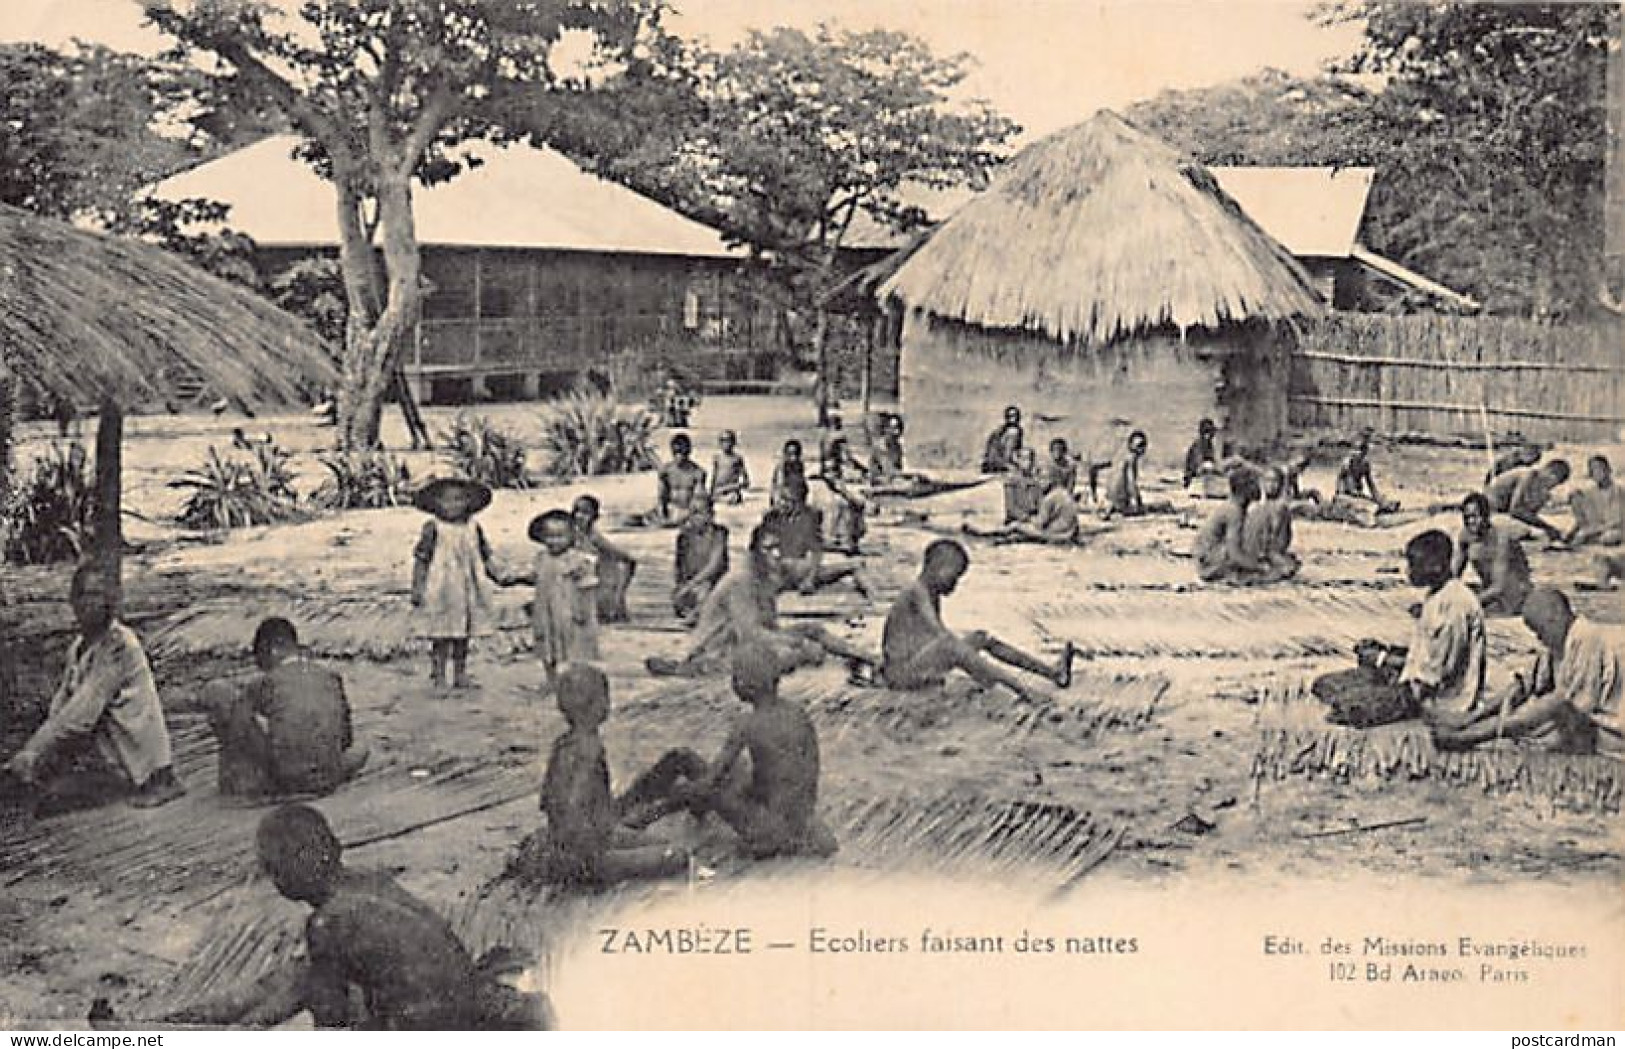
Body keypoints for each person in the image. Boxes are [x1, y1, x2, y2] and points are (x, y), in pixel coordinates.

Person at [162, 805, 549, 1029]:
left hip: (432, 1024)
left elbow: (330, 1022)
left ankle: (209, 1025)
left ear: (285, 878)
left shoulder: (327, 923)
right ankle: (196, 1020)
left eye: (272, 870)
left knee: (303, 979)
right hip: (454, 999)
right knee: (300, 974)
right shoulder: (367, 883)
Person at [3, 561, 184, 813]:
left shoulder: (118, 645)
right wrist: (30, 753)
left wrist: (33, 751)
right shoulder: (79, 648)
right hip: (110, 758)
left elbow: (81, 715)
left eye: (100, 595)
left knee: (48, 802)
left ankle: (160, 786)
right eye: (87, 595)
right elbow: (60, 711)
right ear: (73, 602)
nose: (95, 603)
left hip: (139, 767)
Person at [523, 665, 695, 887]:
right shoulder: (590, 749)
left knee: (650, 836)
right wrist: (593, 842)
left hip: (569, 842)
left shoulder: (562, 744)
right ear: (599, 705)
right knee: (675, 853)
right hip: (589, 856)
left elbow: (549, 802)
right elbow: (576, 807)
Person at [646, 525, 873, 679]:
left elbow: (816, 571)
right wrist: (797, 643)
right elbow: (751, 633)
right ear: (755, 552)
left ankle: (864, 657)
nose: (775, 554)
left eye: (778, 548)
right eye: (768, 549)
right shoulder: (743, 580)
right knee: (792, 654)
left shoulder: (771, 571)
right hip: (717, 649)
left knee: (813, 630)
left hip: (747, 641)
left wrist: (847, 567)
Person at [1311, 530, 1486, 729]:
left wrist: (1382, 660)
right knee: (1324, 685)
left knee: (1346, 706)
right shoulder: (1437, 595)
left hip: (1437, 699)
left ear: (1435, 566)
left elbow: (1435, 674)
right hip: (1413, 680)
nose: (1409, 571)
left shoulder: (1455, 606)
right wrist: (1386, 651)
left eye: (1414, 564)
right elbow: (1427, 652)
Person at [679, 643, 838, 860]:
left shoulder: (747, 724)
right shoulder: (798, 714)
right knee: (739, 773)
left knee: (702, 781)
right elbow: (801, 771)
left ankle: (639, 818)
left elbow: (710, 782)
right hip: (802, 819)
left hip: (768, 831)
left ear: (745, 685)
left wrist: (675, 799)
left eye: (735, 678)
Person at [879, 539, 1076, 705]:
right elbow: (938, 633)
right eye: (953, 577)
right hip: (900, 674)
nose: (955, 585)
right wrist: (965, 656)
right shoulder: (917, 592)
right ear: (937, 569)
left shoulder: (929, 593)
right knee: (952, 645)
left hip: (914, 665)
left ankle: (1052, 672)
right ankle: (1023, 690)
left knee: (982, 638)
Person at [1433, 589, 1622, 756]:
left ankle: (1471, 737)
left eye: (1540, 631)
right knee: (1530, 714)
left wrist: (1492, 727)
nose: (1539, 638)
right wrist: (1473, 717)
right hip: (1586, 724)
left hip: (1612, 732)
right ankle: (1471, 728)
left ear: (1555, 616)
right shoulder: (1559, 643)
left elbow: (1567, 703)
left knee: (1548, 714)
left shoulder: (1587, 637)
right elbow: (1525, 683)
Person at [205, 618, 368, 799]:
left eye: (259, 659)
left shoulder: (264, 682)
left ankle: (233, 786)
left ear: (270, 650)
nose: (260, 666)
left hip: (286, 779)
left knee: (219, 692)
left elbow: (239, 729)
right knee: (362, 749)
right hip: (330, 776)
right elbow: (346, 740)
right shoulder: (331, 676)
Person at [410, 477, 517, 690]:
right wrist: (418, 587)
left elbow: (484, 555)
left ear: (469, 502)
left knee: (463, 633)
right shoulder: (433, 528)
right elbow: (422, 559)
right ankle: (439, 675)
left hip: (468, 586)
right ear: (435, 503)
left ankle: (460, 674)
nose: (452, 505)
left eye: (459, 500)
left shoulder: (474, 527)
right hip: (442, 587)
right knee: (441, 633)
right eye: (446, 500)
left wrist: (499, 574)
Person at [515, 510, 600, 687]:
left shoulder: (578, 560)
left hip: (568, 610)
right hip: (545, 610)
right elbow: (534, 576)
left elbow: (587, 586)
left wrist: (583, 610)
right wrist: (514, 576)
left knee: (571, 645)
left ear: (571, 536)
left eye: (560, 536)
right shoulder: (541, 558)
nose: (554, 541)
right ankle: (551, 679)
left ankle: (571, 680)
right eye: (550, 536)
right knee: (547, 643)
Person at [761, 473, 867, 597]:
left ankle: (872, 597)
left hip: (800, 568)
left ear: (800, 502)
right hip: (780, 569)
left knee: (850, 567)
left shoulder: (809, 517)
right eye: (782, 499)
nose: (782, 503)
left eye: (789, 501)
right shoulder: (772, 517)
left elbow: (816, 552)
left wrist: (810, 579)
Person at [1193, 467, 1279, 584]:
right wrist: (1259, 566)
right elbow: (1234, 553)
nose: (1260, 488)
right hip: (1210, 565)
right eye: (1256, 484)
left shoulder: (1235, 507)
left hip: (1210, 559)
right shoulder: (1233, 512)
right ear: (1246, 488)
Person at [1453, 492, 1533, 617]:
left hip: (1512, 595)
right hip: (1489, 591)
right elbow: (1453, 576)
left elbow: (1499, 587)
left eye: (1475, 516)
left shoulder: (1501, 539)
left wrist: (1465, 603)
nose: (1471, 522)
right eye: (1466, 517)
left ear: (1486, 516)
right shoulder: (1466, 536)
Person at [964, 470, 1080, 545]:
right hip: (1069, 531)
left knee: (1016, 526)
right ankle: (998, 536)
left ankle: (983, 533)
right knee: (1018, 533)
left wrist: (1028, 519)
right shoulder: (1062, 492)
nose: (1039, 483)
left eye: (1042, 479)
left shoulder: (1049, 499)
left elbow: (1039, 523)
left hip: (1057, 534)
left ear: (1050, 480)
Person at [572, 495, 635, 624]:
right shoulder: (573, 537)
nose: (579, 516)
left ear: (595, 517)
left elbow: (629, 560)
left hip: (600, 593)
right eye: (576, 511)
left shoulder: (595, 539)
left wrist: (620, 593)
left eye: (585, 513)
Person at [674, 494, 730, 622]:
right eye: (692, 512)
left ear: (711, 515)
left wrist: (691, 584)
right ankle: (697, 612)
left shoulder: (719, 534)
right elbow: (679, 567)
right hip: (691, 583)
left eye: (699, 513)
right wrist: (682, 587)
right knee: (682, 599)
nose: (694, 517)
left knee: (705, 591)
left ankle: (699, 614)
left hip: (713, 583)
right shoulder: (684, 537)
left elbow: (714, 565)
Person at [1485, 459, 1570, 542]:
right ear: (1549, 473)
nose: (1550, 487)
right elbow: (1516, 510)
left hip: (1501, 514)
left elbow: (1529, 514)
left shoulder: (1541, 488)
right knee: (1524, 531)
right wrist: (1547, 527)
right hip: (1490, 513)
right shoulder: (1527, 476)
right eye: (1552, 482)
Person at [1241, 465, 1301, 581]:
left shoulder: (1262, 505)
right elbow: (1278, 540)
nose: (1271, 485)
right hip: (1264, 553)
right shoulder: (1274, 507)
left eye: (1274, 481)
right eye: (1268, 480)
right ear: (1262, 483)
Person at [811, 435, 868, 556]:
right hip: (826, 491)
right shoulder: (830, 464)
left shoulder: (839, 464)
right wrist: (849, 495)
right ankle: (837, 538)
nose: (846, 452)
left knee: (853, 503)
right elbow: (834, 482)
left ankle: (848, 538)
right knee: (843, 504)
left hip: (833, 490)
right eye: (843, 449)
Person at [1333, 430, 1399, 514]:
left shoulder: (1365, 465)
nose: (1357, 453)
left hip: (1357, 495)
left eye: (1360, 451)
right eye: (1355, 450)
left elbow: (1371, 485)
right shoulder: (1347, 463)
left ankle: (1383, 505)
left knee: (1378, 501)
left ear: (1365, 452)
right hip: (1344, 495)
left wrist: (1378, 498)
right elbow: (1347, 488)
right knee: (1366, 505)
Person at [1565, 456, 1624, 548]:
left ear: (1608, 470)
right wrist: (1573, 532)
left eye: (1600, 468)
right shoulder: (1590, 492)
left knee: (1610, 537)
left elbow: (1616, 521)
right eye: (1593, 470)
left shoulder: (1620, 492)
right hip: (1594, 527)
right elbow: (1584, 517)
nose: (1597, 472)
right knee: (1576, 496)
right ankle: (1589, 538)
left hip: (1614, 529)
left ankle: (1591, 539)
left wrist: (1592, 531)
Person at [653, 434, 708, 526]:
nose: (679, 455)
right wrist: (662, 511)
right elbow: (661, 496)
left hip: (689, 511)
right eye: (676, 451)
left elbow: (698, 500)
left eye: (683, 452)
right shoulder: (666, 471)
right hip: (671, 509)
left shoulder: (698, 473)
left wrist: (687, 514)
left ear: (688, 451)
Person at [710, 429, 751, 505]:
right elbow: (714, 476)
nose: (726, 444)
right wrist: (711, 491)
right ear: (720, 443)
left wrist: (737, 486)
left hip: (731, 488)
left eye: (728, 440)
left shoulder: (737, 458)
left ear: (734, 442)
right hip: (719, 488)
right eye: (723, 441)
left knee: (733, 497)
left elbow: (746, 481)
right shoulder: (717, 458)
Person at [980, 406, 1024, 474]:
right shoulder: (1013, 431)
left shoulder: (1000, 430)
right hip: (999, 464)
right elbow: (1008, 453)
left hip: (990, 464)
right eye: (1010, 416)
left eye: (1014, 416)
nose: (1012, 418)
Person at [1182, 418, 1220, 488]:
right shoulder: (1200, 443)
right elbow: (1198, 462)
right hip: (1194, 476)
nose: (1213, 434)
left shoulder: (1208, 443)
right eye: (1212, 432)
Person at [769, 440, 806, 506]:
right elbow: (778, 488)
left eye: (796, 454)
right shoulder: (781, 468)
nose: (793, 458)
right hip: (783, 503)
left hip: (798, 502)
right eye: (790, 455)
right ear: (785, 454)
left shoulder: (799, 466)